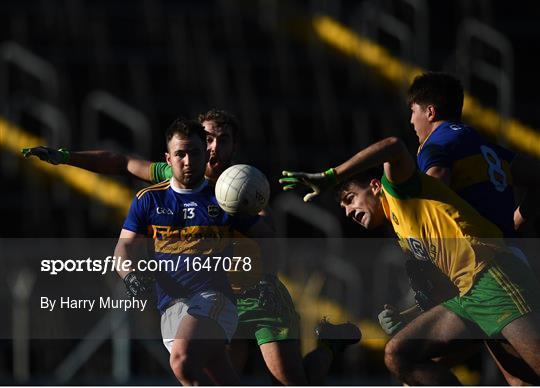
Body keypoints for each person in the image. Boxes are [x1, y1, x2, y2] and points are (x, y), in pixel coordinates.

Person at [23, 108, 360, 385]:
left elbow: (269, 239)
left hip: (256, 293)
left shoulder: (242, 187)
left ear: (233, 147)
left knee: (293, 383)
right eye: (208, 138)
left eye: (222, 140)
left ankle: (330, 343)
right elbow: (120, 162)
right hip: (216, 298)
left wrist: (254, 223)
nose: (213, 148)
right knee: (213, 376)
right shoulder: (181, 172)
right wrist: (66, 156)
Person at [279, 136, 540, 385]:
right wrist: (406, 316)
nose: (348, 212)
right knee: (398, 354)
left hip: (493, 276)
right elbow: (441, 291)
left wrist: (332, 176)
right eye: (344, 208)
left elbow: (393, 146)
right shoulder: (403, 231)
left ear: (374, 186)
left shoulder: (399, 189)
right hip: (470, 296)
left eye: (350, 199)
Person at [116, 118, 253, 385]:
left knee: (181, 360)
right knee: (218, 379)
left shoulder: (224, 197)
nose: (188, 161)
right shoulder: (149, 199)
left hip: (214, 299)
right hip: (170, 306)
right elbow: (123, 248)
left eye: (195, 153)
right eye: (180, 154)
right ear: (168, 159)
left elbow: (268, 236)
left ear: (206, 155)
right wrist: (130, 277)